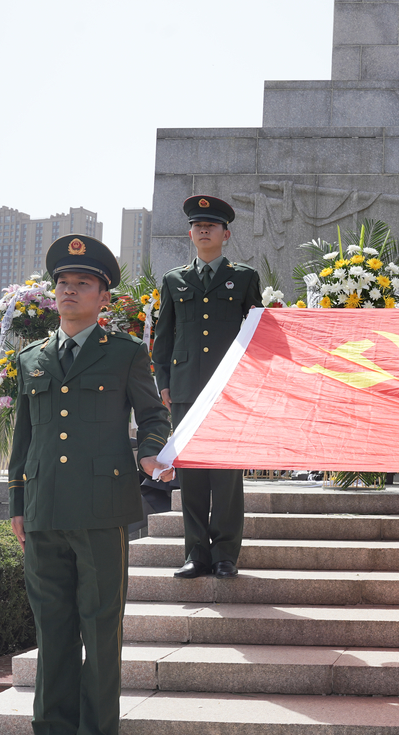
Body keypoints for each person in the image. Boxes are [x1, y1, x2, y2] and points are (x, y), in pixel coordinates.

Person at [5, 234, 172, 735]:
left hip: (102, 509)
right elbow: (22, 440)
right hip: (45, 509)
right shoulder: (31, 358)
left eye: (82, 284)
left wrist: (152, 451)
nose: (69, 291)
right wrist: (17, 503)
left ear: (104, 297)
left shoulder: (125, 352)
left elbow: (152, 416)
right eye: (62, 284)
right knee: (53, 629)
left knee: (100, 628)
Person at [151, 195, 260, 579]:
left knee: (226, 475)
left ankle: (226, 554)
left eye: (211, 225)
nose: (203, 230)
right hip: (185, 389)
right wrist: (163, 382)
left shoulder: (244, 278)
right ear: (191, 233)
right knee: (192, 474)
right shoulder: (174, 280)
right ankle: (196, 554)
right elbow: (163, 339)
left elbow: (257, 334)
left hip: (229, 390)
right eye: (197, 225)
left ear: (225, 234)